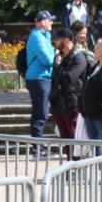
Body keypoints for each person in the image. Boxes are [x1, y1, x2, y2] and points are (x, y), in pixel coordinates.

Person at [50, 28, 90, 147]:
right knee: (66, 142)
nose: (54, 42)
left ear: (66, 40)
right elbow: (55, 80)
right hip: (58, 105)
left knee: (75, 141)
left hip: (73, 105)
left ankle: (78, 164)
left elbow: (69, 78)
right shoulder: (59, 57)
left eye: (57, 39)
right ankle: (69, 164)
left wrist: (58, 65)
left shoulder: (79, 58)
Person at [25, 11, 56, 140]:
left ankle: (38, 143)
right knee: (40, 112)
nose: (52, 23)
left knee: (42, 111)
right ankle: (37, 145)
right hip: (38, 79)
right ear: (43, 22)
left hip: (44, 78)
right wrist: (57, 56)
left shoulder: (45, 36)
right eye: (50, 20)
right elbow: (48, 60)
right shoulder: (37, 37)